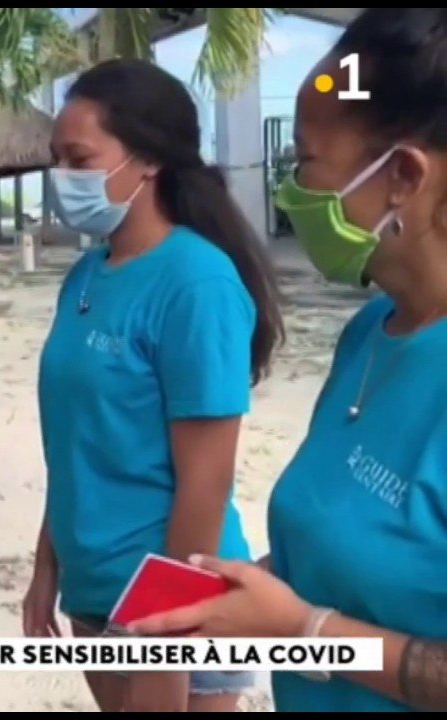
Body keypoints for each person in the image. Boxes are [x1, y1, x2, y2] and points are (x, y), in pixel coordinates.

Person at [126, 8, 447, 713]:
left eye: (303, 163)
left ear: (401, 176)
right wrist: (233, 594)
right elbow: (339, 554)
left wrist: (303, 630)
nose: (288, 192)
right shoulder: (370, 335)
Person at [22, 58, 286, 712]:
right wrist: (46, 567)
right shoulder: (84, 277)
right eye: (56, 158)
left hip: (175, 612)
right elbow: (73, 442)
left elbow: (206, 481)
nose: (63, 177)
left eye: (79, 157)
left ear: (147, 161)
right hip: (94, 591)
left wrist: (165, 642)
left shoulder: (197, 283)